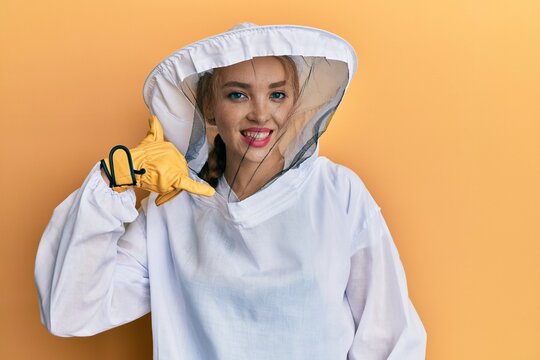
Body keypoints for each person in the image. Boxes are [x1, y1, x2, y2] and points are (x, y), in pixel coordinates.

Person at [34, 23, 427, 359]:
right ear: (209, 110)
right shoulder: (171, 209)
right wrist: (113, 178)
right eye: (237, 94)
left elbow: (390, 337)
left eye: (277, 94)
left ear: (293, 105)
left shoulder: (338, 194)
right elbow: (71, 311)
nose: (260, 113)